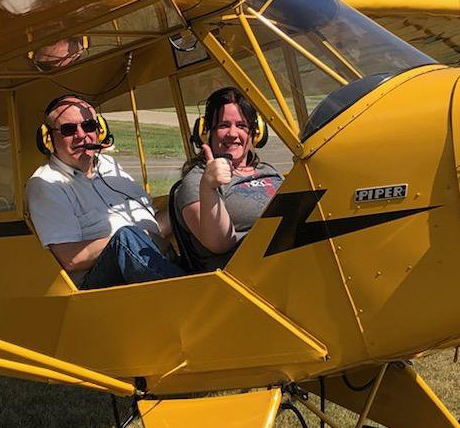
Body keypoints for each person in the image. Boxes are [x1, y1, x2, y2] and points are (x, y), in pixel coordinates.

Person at [25, 94, 185, 289]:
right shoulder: (46, 183)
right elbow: (70, 258)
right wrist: (134, 237)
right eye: (69, 129)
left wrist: (188, 199)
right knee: (125, 236)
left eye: (89, 126)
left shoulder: (110, 165)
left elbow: (154, 223)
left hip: (153, 261)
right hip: (99, 285)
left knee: (186, 198)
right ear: (48, 138)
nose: (82, 135)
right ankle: (188, 292)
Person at [177, 87, 284, 269]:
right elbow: (219, 244)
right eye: (223, 125)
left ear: (255, 133)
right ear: (206, 132)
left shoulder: (269, 171)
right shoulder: (196, 180)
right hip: (248, 275)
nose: (233, 134)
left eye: (241, 125)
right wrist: (208, 187)